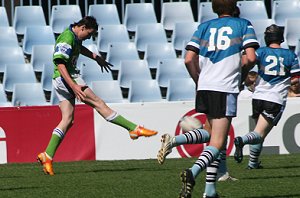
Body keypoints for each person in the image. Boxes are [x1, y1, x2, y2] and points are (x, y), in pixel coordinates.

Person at [157, 0, 259, 197]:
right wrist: (242, 72)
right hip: (225, 87)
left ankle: (209, 190)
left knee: (211, 133)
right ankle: (192, 172)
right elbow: (252, 58)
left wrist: (198, 80)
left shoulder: (204, 26)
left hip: (205, 86)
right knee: (218, 143)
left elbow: (188, 59)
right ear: (234, 6)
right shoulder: (243, 24)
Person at [37, 16, 158, 176]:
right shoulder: (66, 38)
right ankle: (133, 129)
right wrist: (74, 85)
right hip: (67, 78)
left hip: (59, 80)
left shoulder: (73, 36)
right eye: (88, 34)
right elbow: (60, 63)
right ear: (82, 27)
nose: (88, 38)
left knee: (67, 120)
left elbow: (79, 48)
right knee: (99, 103)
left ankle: (47, 155)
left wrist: (96, 58)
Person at [234, 24, 300, 169]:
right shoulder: (290, 55)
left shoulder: (261, 52)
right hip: (275, 99)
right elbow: (296, 78)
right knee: (259, 133)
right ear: (281, 38)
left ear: (266, 38)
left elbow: (247, 62)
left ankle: (253, 163)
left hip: (258, 97)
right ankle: (241, 140)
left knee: (260, 132)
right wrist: (286, 81)